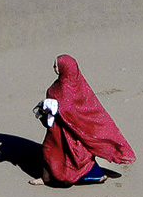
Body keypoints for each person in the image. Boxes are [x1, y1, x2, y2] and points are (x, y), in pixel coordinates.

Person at [31, 54, 135, 186]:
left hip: (72, 132)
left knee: (78, 158)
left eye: (56, 66)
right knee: (48, 150)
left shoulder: (71, 87)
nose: (54, 69)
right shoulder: (60, 84)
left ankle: (97, 176)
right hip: (57, 129)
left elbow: (76, 110)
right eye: (54, 66)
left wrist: (55, 108)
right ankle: (46, 178)